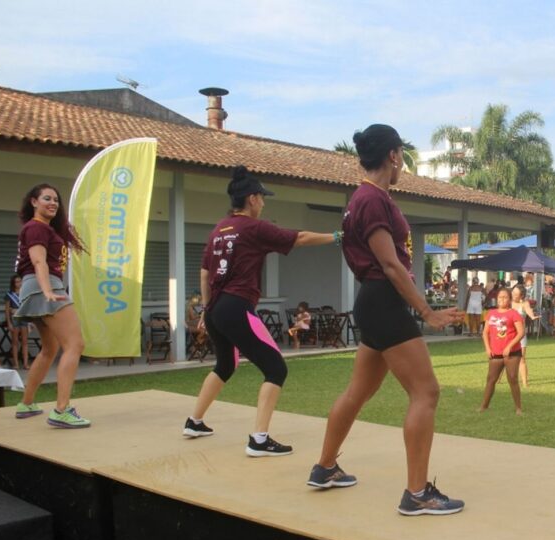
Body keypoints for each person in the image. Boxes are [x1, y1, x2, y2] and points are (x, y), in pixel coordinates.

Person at [309, 124, 464, 516]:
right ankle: (417, 494)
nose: (403, 165)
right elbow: (392, 266)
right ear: (393, 155)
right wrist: (427, 313)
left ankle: (325, 467)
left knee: (357, 393)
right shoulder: (373, 200)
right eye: (402, 157)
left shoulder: (363, 198)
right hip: (384, 301)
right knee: (425, 393)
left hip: (373, 302)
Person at [184, 166, 338, 455]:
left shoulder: (219, 230)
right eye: (262, 198)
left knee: (225, 365)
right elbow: (300, 238)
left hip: (216, 308)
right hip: (236, 306)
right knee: (276, 368)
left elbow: (205, 273)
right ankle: (259, 439)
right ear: (252, 198)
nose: (264, 203)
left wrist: (206, 310)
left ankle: (194, 422)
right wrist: (337, 237)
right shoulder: (254, 228)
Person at [12, 184, 89, 427]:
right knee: (75, 344)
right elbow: (38, 261)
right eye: (47, 198)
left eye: (56, 199)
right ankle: (61, 410)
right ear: (34, 202)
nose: (53, 202)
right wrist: (47, 291)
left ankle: (26, 403)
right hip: (43, 286)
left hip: (34, 287)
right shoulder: (36, 227)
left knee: (49, 348)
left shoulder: (44, 228)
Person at [479, 287, 525, 415]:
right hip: (495, 352)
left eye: (505, 297)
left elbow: (521, 332)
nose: (502, 299)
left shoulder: (514, 314)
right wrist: (487, 348)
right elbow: (485, 333)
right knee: (491, 379)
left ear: (510, 299)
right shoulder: (491, 313)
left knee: (512, 378)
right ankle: (484, 406)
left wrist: (510, 346)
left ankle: (518, 407)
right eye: (500, 297)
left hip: (512, 353)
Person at [510, 285, 539, 387]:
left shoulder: (524, 304)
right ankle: (498, 379)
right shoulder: (509, 303)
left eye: (515, 294)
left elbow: (529, 311)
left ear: (521, 295)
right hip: (508, 335)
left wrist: (532, 316)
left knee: (521, 358)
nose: (513, 295)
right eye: (512, 292)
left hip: (520, 335)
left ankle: (525, 383)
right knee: (504, 358)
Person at [3, 275, 30, 370]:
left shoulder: (25, 293)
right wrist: (9, 322)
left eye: (20, 281)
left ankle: (26, 363)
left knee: (25, 342)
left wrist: (31, 322)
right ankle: (16, 363)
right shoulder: (9, 295)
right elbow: (6, 310)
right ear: (13, 283)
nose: (19, 284)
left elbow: (28, 307)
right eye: (17, 282)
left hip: (24, 317)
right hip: (14, 318)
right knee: (14, 342)